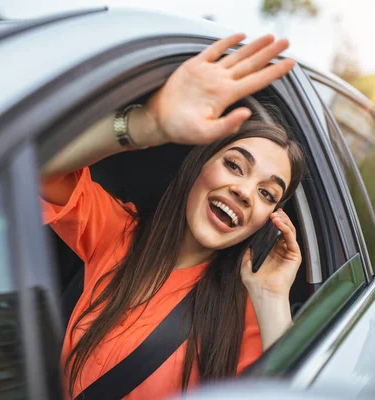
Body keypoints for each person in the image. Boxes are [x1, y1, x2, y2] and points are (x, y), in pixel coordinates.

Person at [40, 33, 304, 399]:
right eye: (234, 165)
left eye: (266, 194)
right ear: (200, 165)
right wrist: (146, 126)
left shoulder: (249, 319)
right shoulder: (120, 233)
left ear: (268, 219)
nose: (244, 192)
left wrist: (273, 298)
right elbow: (41, 171)